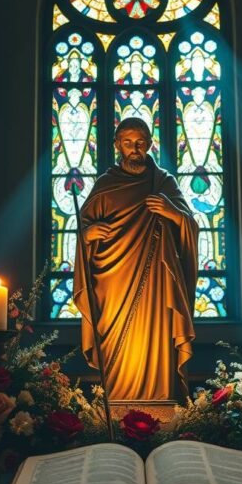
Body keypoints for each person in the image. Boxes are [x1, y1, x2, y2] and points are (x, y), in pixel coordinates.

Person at [73, 118, 198, 401]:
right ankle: (117, 402)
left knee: (155, 341)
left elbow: (190, 226)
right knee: (116, 346)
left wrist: (173, 213)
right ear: (117, 145)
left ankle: (161, 401)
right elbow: (83, 229)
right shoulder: (105, 185)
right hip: (112, 284)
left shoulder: (163, 182)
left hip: (156, 282)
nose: (135, 149)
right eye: (128, 143)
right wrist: (88, 234)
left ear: (150, 144)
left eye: (140, 142)